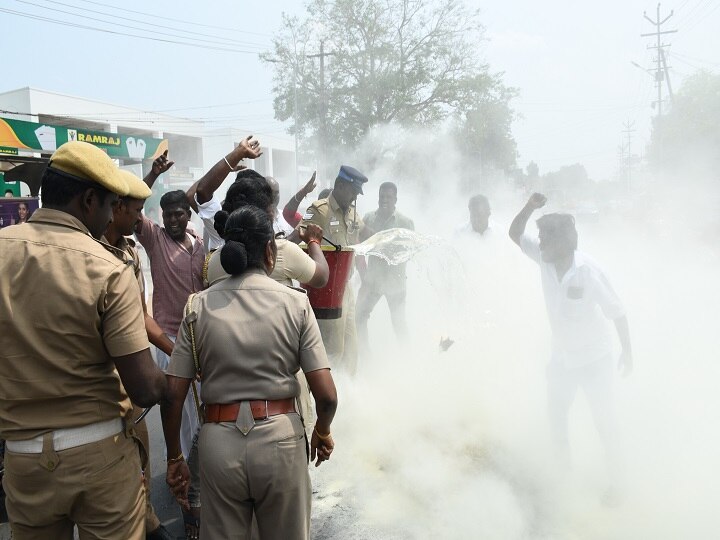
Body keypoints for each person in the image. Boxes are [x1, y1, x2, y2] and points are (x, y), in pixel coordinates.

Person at [0, 141, 167, 539]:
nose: (112, 215)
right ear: (89, 200)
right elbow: (143, 387)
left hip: (23, 462)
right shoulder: (107, 268)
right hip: (100, 459)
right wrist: (175, 379)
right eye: (111, 205)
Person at [161, 205, 338, 540]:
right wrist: (323, 432)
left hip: (219, 444)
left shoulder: (197, 305)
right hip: (281, 441)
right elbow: (326, 396)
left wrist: (174, 458)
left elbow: (172, 395)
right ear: (270, 252)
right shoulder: (296, 303)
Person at [509, 193, 632, 496]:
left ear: (563, 242)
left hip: (594, 359)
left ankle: (618, 484)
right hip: (562, 358)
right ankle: (564, 477)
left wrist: (628, 352)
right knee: (557, 415)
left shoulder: (588, 271)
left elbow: (617, 311)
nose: (540, 243)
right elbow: (514, 234)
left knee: (604, 420)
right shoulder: (544, 257)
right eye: (540, 238)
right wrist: (529, 207)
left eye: (545, 238)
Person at [103, 170, 175, 540]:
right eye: (135, 210)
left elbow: (140, 314)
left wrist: (175, 352)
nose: (139, 218)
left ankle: (146, 519)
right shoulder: (94, 252)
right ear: (115, 209)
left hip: (130, 377)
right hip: (107, 381)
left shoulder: (130, 250)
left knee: (140, 457)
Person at [138, 154, 206, 538]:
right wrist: (153, 174)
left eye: (180, 213)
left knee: (203, 419)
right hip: (167, 342)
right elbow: (131, 210)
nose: (174, 220)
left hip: (200, 341)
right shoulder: (153, 238)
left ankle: (200, 486)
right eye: (168, 215)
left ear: (188, 215)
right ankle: (186, 501)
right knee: (178, 420)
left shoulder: (199, 245)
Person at [298, 165, 368, 375]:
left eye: (357, 193)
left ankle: (349, 392)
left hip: (345, 289)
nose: (355, 197)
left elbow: (365, 233)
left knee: (351, 348)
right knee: (332, 349)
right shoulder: (319, 210)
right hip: (324, 293)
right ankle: (329, 393)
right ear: (339, 185)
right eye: (352, 191)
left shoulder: (353, 213)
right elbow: (300, 239)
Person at [356, 182, 415, 354]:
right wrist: (363, 273)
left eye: (389, 197)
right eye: (382, 196)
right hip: (373, 281)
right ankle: (364, 354)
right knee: (359, 316)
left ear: (395, 199)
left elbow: (410, 249)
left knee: (398, 322)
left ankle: (407, 357)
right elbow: (358, 244)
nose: (384, 200)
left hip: (396, 283)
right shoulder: (368, 218)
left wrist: (389, 244)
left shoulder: (405, 222)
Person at [189, 135, 263, 252]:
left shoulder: (223, 228)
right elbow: (195, 193)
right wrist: (229, 165)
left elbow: (196, 192)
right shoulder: (222, 223)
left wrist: (229, 165)